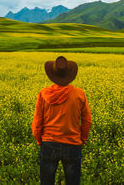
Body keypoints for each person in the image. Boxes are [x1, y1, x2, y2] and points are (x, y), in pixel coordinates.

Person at [32, 56, 92, 185]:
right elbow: (87, 121)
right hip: (72, 143)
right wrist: (82, 139)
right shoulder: (79, 94)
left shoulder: (43, 94)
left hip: (48, 143)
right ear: (69, 74)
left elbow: (37, 121)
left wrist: (39, 139)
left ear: (52, 74)